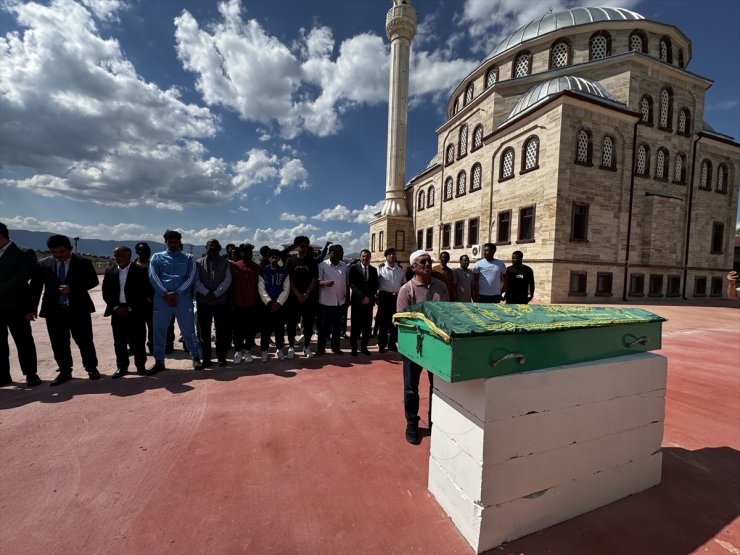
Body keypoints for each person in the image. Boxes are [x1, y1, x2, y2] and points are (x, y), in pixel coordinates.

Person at [28, 234, 100, 386]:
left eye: (62, 252)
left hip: (78, 309)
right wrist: (31, 308)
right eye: (54, 252)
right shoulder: (43, 264)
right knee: (58, 343)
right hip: (54, 310)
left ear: (70, 249)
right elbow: (35, 287)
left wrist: (72, 288)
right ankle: (65, 371)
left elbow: (93, 281)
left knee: (84, 340)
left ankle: (91, 368)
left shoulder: (83, 262)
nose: (58, 255)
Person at [397, 249, 449, 445]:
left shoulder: (441, 286)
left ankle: (435, 421)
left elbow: (446, 313)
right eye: (422, 261)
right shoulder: (406, 290)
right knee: (411, 389)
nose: (428, 264)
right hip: (414, 348)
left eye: (429, 261)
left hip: (436, 347)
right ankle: (412, 424)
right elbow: (403, 321)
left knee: (437, 388)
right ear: (413, 267)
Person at [148, 230, 202, 373]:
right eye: (170, 242)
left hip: (182, 298)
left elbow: (190, 277)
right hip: (162, 299)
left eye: (175, 242)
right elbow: (153, 276)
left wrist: (176, 293)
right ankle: (159, 361)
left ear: (180, 242)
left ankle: (195, 357)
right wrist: (164, 294)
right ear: (165, 242)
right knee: (159, 331)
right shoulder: (157, 257)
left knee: (189, 329)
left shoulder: (189, 257)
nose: (173, 244)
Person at [0, 223, 41, 386]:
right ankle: (3, 376)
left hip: (17, 306)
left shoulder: (24, 252)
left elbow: (22, 278)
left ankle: (31, 373)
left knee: (23, 341)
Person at [102, 246, 151, 378]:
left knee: (139, 340)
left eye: (120, 256)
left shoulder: (140, 271)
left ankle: (141, 366)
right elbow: (106, 293)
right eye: (115, 256)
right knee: (119, 341)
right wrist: (116, 308)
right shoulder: (110, 271)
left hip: (135, 311)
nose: (117, 259)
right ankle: (122, 367)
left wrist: (131, 308)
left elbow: (145, 292)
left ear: (129, 256)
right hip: (117, 312)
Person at [195, 239, 232, 368]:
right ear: (206, 247)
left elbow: (227, 280)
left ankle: (221, 357)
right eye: (211, 245)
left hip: (220, 302)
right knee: (204, 332)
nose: (213, 248)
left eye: (216, 246)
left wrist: (215, 293)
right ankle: (206, 358)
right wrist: (206, 293)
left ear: (219, 248)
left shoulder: (225, 263)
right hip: (203, 302)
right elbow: (196, 280)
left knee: (221, 331)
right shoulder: (198, 263)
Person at [134, 242, 175, 355]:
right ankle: (136, 347)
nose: (145, 252)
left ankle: (155, 345)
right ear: (137, 252)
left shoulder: (155, 265)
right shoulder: (132, 267)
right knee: (137, 328)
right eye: (142, 250)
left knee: (156, 326)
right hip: (139, 303)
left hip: (156, 301)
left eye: (147, 250)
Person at [285, 236, 318, 359]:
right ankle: (292, 347)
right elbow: (288, 279)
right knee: (291, 324)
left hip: (308, 299)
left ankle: (307, 346)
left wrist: (306, 294)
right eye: (300, 245)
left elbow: (314, 279)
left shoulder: (312, 261)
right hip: (293, 298)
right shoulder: (290, 261)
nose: (302, 248)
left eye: (305, 246)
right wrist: (298, 294)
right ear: (296, 247)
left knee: (308, 324)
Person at [316, 244, 349, 356]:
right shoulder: (323, 265)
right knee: (323, 327)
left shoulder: (344, 266)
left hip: (340, 301)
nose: (336, 255)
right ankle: (321, 348)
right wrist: (325, 283)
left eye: (339, 252)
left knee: (337, 327)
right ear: (329, 253)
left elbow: (347, 283)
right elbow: (317, 281)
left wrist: (347, 300)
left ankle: (336, 348)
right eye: (333, 252)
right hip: (325, 302)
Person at [230, 243, 261, 364]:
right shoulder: (235, 266)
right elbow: (230, 286)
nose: (248, 254)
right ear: (241, 253)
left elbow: (260, 287)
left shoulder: (257, 268)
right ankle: (238, 351)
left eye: (250, 252)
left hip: (252, 304)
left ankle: (247, 350)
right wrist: (231, 302)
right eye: (245, 252)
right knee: (237, 330)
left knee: (251, 330)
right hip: (237, 305)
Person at [258, 249, 290, 362]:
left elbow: (286, 289)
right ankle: (264, 350)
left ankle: (279, 349)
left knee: (279, 329)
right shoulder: (263, 271)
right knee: (265, 329)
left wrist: (278, 303)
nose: (274, 259)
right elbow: (261, 289)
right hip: (266, 306)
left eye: (276, 257)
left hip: (279, 306)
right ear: (268, 258)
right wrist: (269, 302)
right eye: (272, 257)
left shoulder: (284, 272)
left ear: (279, 259)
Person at [349, 249, 379, 356]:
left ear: (370, 258)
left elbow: (375, 285)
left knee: (367, 326)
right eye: (363, 256)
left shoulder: (374, 270)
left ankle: (364, 347)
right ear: (360, 257)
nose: (365, 258)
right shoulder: (353, 269)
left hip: (369, 303)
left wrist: (369, 298)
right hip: (357, 302)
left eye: (367, 256)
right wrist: (362, 297)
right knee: (355, 325)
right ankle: (353, 347)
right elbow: (352, 284)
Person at [376, 247, 406, 353]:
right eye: (389, 255)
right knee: (383, 322)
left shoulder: (400, 270)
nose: (392, 257)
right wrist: (376, 296)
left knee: (394, 322)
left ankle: (392, 343)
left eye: (393, 254)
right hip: (384, 297)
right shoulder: (380, 269)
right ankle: (381, 344)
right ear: (386, 256)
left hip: (396, 298)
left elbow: (403, 284)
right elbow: (376, 284)